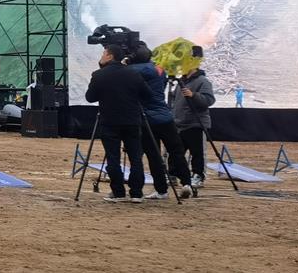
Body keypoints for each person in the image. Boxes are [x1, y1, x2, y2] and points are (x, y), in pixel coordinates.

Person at [129, 43, 192, 199]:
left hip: (146, 120)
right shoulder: (160, 70)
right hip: (165, 117)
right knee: (176, 151)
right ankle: (187, 183)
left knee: (154, 156)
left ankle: (161, 190)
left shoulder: (133, 71)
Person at [84, 45, 147, 200]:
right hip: (132, 121)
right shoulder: (133, 73)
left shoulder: (99, 75)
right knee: (135, 158)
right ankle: (136, 193)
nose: (102, 56)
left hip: (110, 121)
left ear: (110, 56)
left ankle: (118, 192)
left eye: (104, 53)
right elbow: (147, 94)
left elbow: (90, 97)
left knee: (113, 158)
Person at [172, 47, 215, 189]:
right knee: (176, 152)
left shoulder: (203, 81)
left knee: (197, 152)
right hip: (179, 123)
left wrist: (194, 95)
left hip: (196, 123)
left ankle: (198, 175)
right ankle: (173, 174)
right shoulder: (180, 83)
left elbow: (209, 100)